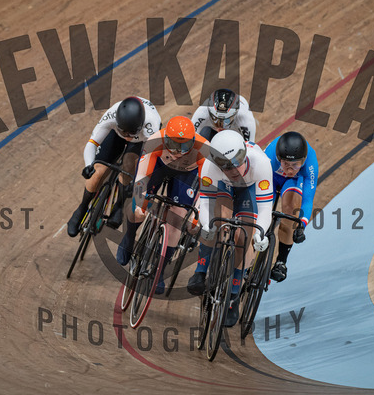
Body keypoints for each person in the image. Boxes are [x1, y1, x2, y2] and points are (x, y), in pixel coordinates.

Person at [186, 130, 273, 327]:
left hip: (249, 189)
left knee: (245, 236)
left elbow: (265, 207)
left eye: (237, 163)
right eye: (226, 166)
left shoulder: (261, 163)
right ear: (217, 163)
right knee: (217, 219)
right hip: (224, 187)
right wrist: (207, 224)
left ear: (244, 155)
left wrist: (260, 233)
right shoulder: (210, 166)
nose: (233, 170)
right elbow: (206, 202)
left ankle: (233, 295)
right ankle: (201, 271)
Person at [117, 116, 209, 295]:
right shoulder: (155, 141)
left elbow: (206, 190)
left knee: (178, 217)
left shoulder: (204, 150)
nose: (178, 152)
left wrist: (197, 213)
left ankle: (158, 272)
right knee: (138, 207)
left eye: (184, 147)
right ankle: (129, 237)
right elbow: (141, 179)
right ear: (165, 139)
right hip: (158, 165)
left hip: (186, 174)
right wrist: (140, 204)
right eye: (173, 145)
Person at [67, 96, 161, 237]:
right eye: (124, 132)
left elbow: (150, 158)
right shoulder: (111, 116)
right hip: (116, 135)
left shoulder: (151, 125)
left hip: (141, 141)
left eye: (132, 133)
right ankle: (82, 207)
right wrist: (88, 165)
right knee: (97, 173)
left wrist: (138, 179)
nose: (128, 136)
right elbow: (92, 143)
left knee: (129, 165)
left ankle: (119, 205)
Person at [264, 131, 318, 282]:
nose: (289, 169)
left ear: (303, 160)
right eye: (286, 164)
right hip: (271, 176)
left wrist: (302, 225)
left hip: (293, 181)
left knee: (290, 208)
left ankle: (281, 261)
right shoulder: (269, 156)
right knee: (262, 206)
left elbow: (307, 200)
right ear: (279, 158)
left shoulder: (310, 162)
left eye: (295, 165)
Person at [191, 88, 256, 142]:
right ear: (209, 112)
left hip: (235, 132)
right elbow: (190, 138)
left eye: (226, 120)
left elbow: (249, 148)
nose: (221, 126)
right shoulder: (202, 112)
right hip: (213, 129)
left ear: (236, 114)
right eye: (215, 119)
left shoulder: (245, 120)